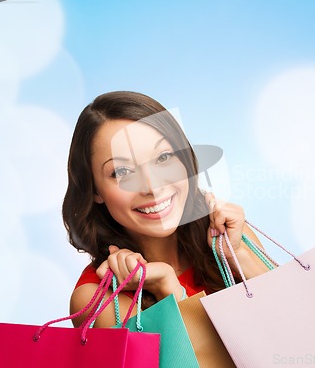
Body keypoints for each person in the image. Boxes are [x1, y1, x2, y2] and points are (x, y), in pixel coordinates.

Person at [65, 91, 268, 327]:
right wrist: (169, 290)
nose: (152, 186)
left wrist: (239, 256)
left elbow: (302, 323)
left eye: (163, 158)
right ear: (94, 191)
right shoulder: (98, 298)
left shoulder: (232, 239)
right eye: (122, 172)